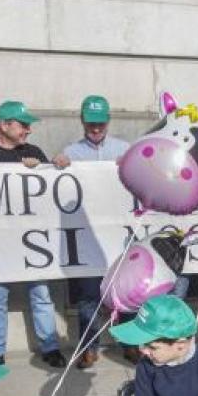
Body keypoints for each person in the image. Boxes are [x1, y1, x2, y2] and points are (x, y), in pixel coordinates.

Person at [0, 100, 65, 368]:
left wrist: (51, 165)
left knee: (41, 294)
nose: (28, 131)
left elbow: (50, 191)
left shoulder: (34, 152)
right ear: (4, 124)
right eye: (23, 125)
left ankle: (50, 347)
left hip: (32, 241)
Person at [59, 95, 132, 369]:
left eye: (100, 123)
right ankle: (89, 347)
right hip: (88, 238)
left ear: (108, 121)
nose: (96, 129)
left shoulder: (124, 148)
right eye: (91, 124)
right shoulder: (71, 152)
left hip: (120, 237)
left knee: (125, 293)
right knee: (89, 295)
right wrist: (57, 166)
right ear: (82, 122)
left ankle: (129, 343)